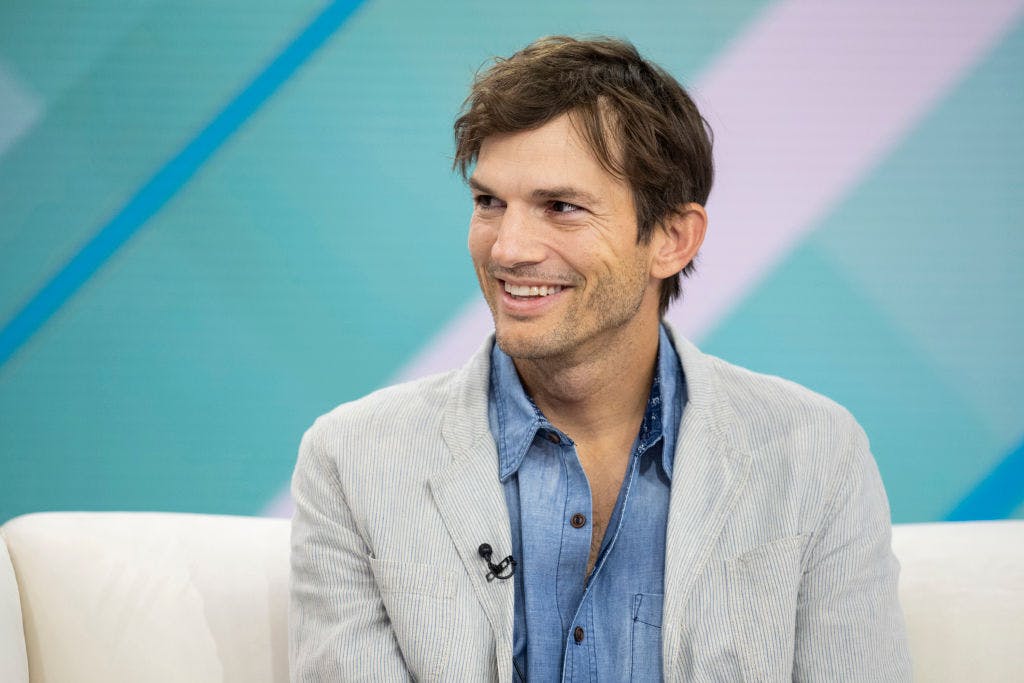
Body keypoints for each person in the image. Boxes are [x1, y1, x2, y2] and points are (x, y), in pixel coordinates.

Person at [289, 36, 911, 681]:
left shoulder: (814, 452)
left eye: (561, 208)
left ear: (671, 239)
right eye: (489, 203)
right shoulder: (354, 460)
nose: (508, 249)